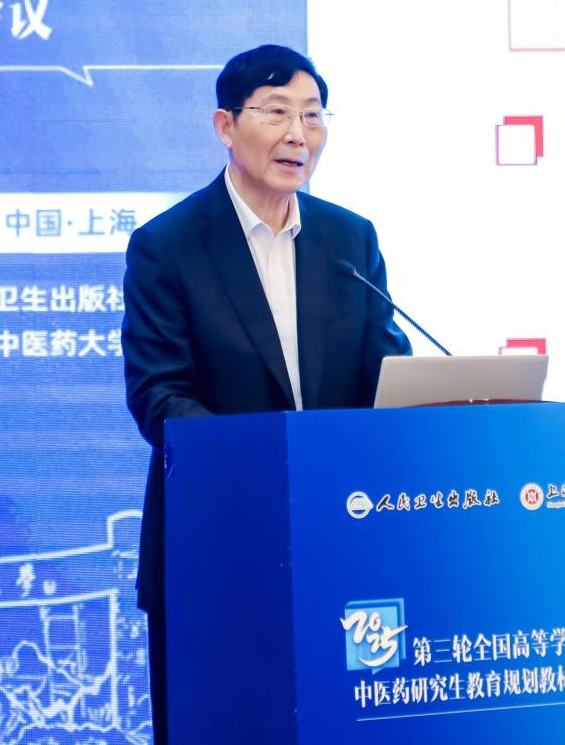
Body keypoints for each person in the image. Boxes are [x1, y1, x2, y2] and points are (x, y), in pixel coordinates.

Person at [121, 44, 411, 744]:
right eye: (276, 113)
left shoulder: (348, 239)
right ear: (226, 125)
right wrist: (271, 467)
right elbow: (160, 395)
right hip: (216, 545)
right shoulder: (168, 245)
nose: (298, 135)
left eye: (313, 115)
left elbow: (384, 371)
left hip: (340, 541)